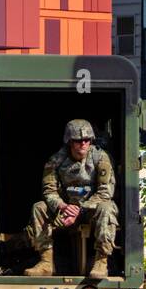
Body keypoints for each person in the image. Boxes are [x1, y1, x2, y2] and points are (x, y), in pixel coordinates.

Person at [24, 119, 118, 278]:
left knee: (107, 208)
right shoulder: (56, 161)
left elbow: (105, 192)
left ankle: (101, 261)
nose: (83, 144)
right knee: (39, 207)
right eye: (78, 140)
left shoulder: (101, 158)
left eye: (87, 140)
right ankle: (46, 262)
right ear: (69, 142)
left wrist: (80, 211)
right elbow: (49, 191)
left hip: (91, 212)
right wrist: (62, 207)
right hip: (64, 212)